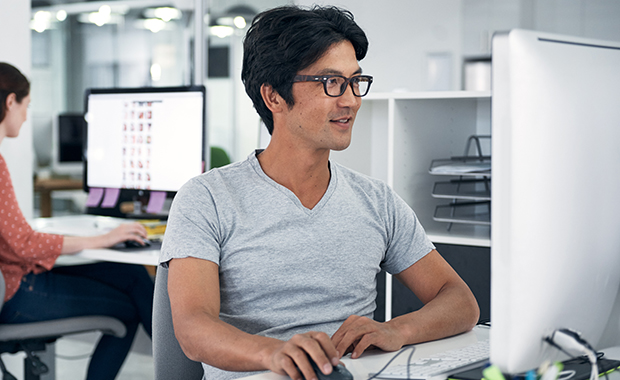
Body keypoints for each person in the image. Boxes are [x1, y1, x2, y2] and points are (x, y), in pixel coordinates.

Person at [161, 5, 480, 380]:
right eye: (331, 83)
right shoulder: (207, 198)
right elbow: (193, 329)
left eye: (355, 82)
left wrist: (397, 330)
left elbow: (459, 300)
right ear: (274, 97)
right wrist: (276, 354)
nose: (351, 100)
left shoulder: (376, 200)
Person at [0, 62, 154, 380]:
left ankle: (186, 367)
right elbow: (24, 245)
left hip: (12, 282)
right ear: (10, 102)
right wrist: (101, 239)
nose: (27, 116)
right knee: (127, 310)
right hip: (16, 292)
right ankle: (188, 368)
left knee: (131, 274)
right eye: (27, 106)